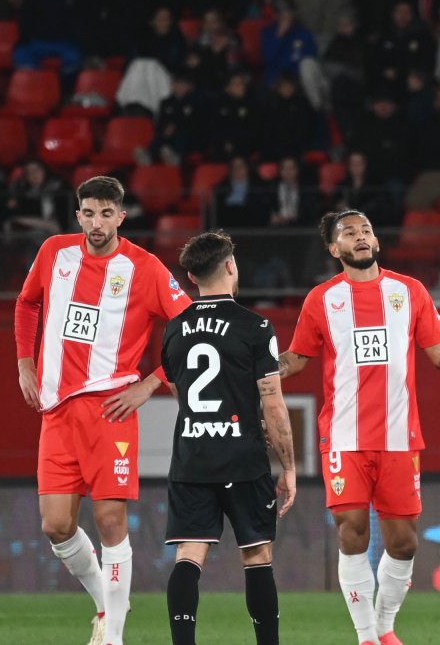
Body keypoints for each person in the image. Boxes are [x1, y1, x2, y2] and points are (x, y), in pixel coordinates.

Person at [277, 210, 440, 645]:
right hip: (343, 437)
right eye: (349, 233)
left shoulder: (409, 291)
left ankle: (384, 627)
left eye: (366, 230)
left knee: (404, 543)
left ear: (376, 240)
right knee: (352, 529)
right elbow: (296, 358)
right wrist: (256, 370)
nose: (360, 237)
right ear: (333, 248)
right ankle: (367, 637)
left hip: (400, 438)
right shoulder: (321, 300)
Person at [14, 176, 193, 645]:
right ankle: (106, 601)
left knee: (110, 521)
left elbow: (191, 328)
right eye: (89, 213)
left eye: (106, 214)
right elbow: (27, 302)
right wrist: (24, 364)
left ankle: (113, 635)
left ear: (121, 216)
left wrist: (151, 384)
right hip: (56, 411)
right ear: (78, 215)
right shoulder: (55, 252)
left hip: (110, 409)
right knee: (56, 525)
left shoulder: (144, 267)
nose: (97, 223)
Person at [161, 231, 298, 645]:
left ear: (190, 276)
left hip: (192, 456)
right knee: (257, 555)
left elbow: (178, 388)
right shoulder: (255, 326)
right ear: (230, 266)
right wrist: (288, 466)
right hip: (242, 456)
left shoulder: (174, 328)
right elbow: (272, 401)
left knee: (189, 556)